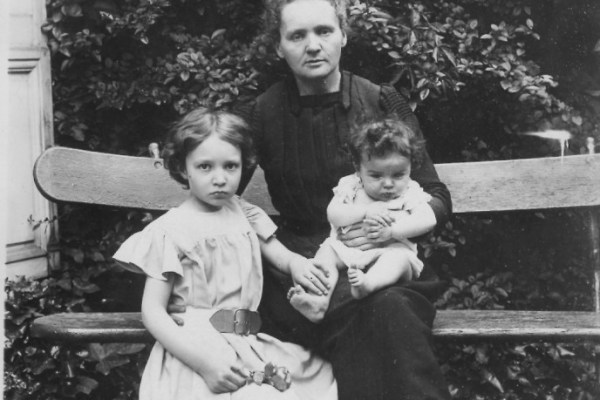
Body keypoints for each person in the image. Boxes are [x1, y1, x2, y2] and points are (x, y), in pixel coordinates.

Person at [237, 0, 453, 399]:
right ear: (278, 47)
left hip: (377, 262)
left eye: (324, 31)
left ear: (343, 35)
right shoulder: (263, 112)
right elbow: (224, 194)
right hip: (301, 268)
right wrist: (288, 261)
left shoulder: (380, 101)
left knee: (387, 309)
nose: (313, 45)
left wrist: (389, 227)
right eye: (297, 36)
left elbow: (437, 197)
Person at [113, 108, 337, 400]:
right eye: (205, 167)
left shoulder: (244, 212)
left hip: (246, 338)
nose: (220, 178)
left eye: (230, 166)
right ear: (183, 168)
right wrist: (204, 364)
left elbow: (278, 253)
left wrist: (296, 263)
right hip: (197, 347)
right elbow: (153, 312)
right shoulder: (171, 230)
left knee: (319, 377)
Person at [288, 117, 435, 322]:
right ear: (358, 168)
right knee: (327, 251)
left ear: (410, 167)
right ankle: (318, 301)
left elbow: (429, 219)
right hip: (349, 250)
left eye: (399, 174)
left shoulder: (410, 192)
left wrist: (392, 232)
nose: (388, 184)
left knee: (398, 259)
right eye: (376, 176)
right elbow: (334, 213)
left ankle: (368, 285)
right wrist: (364, 212)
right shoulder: (351, 186)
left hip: (392, 250)